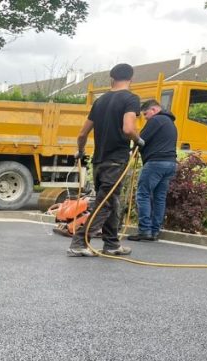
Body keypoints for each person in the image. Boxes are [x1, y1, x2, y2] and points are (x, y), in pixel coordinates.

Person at [69, 63, 142, 257]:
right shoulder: (131, 99)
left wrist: (81, 151)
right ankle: (79, 242)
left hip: (99, 161)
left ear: (112, 79)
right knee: (105, 203)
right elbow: (128, 129)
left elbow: (82, 133)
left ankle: (111, 244)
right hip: (116, 160)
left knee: (111, 201)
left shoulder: (100, 102)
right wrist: (138, 140)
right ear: (131, 79)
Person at [129, 100, 178, 241]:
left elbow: (140, 140)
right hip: (170, 163)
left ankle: (145, 230)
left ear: (155, 109)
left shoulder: (156, 120)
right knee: (159, 198)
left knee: (143, 194)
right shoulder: (170, 123)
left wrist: (132, 150)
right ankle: (155, 231)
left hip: (156, 162)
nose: (145, 117)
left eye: (146, 114)